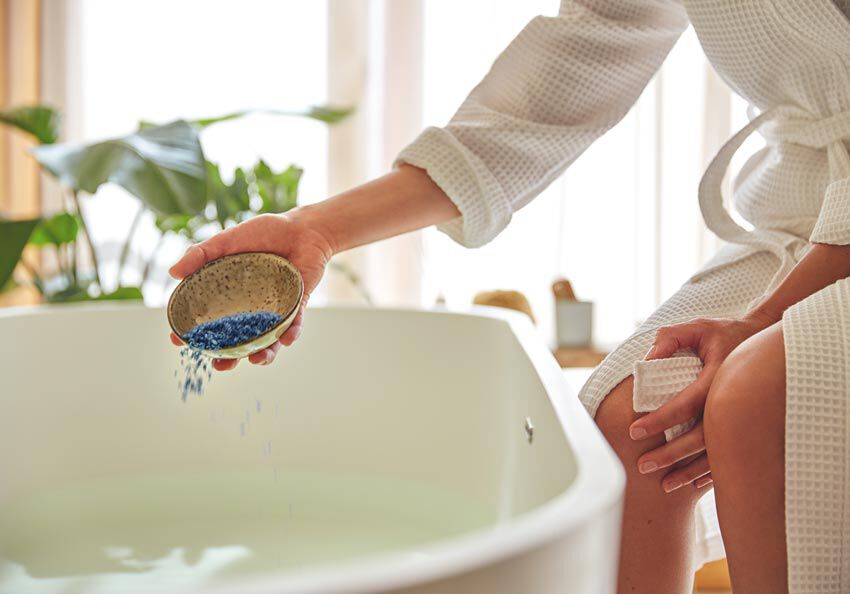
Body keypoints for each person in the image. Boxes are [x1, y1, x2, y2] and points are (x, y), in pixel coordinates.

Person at [169, 1, 850, 592]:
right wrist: (314, 229)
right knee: (634, 419)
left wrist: (761, 322)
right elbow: (565, 74)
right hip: (807, 205)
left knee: (751, 399)